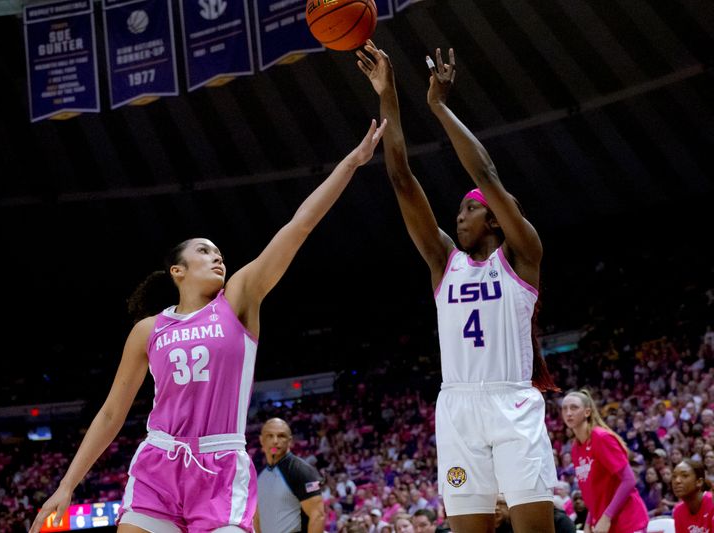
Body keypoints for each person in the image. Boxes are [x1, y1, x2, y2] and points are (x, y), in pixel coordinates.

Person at [27, 119, 387, 533]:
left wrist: (353, 163)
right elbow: (111, 413)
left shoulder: (237, 301)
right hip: (159, 463)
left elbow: (298, 225)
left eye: (219, 251)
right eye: (205, 251)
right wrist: (67, 485)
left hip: (220, 465)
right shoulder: (149, 330)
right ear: (177, 270)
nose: (217, 257)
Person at [356, 40, 558, 532]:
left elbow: (485, 173)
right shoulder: (444, 261)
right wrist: (389, 95)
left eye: (469, 209)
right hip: (457, 407)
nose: (458, 215)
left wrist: (440, 107)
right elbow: (402, 178)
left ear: (494, 217)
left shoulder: (523, 256)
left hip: (512, 403)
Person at [561, 389, 649, 532]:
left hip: (628, 520)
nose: (568, 413)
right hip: (605, 523)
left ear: (587, 412)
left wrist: (606, 517)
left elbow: (629, 480)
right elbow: (595, 492)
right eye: (564, 408)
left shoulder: (601, 438)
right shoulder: (576, 447)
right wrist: (589, 522)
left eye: (574, 407)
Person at [254, 418, 325, 533]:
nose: (275, 441)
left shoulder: (302, 471)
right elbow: (257, 517)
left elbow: (318, 515)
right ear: (261, 440)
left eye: (281, 436)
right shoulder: (260, 475)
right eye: (269, 436)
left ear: (290, 441)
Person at [671, 459, 713, 532]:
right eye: (674, 476)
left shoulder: (712, 502)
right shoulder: (678, 511)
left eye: (685, 475)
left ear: (699, 482)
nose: (677, 481)